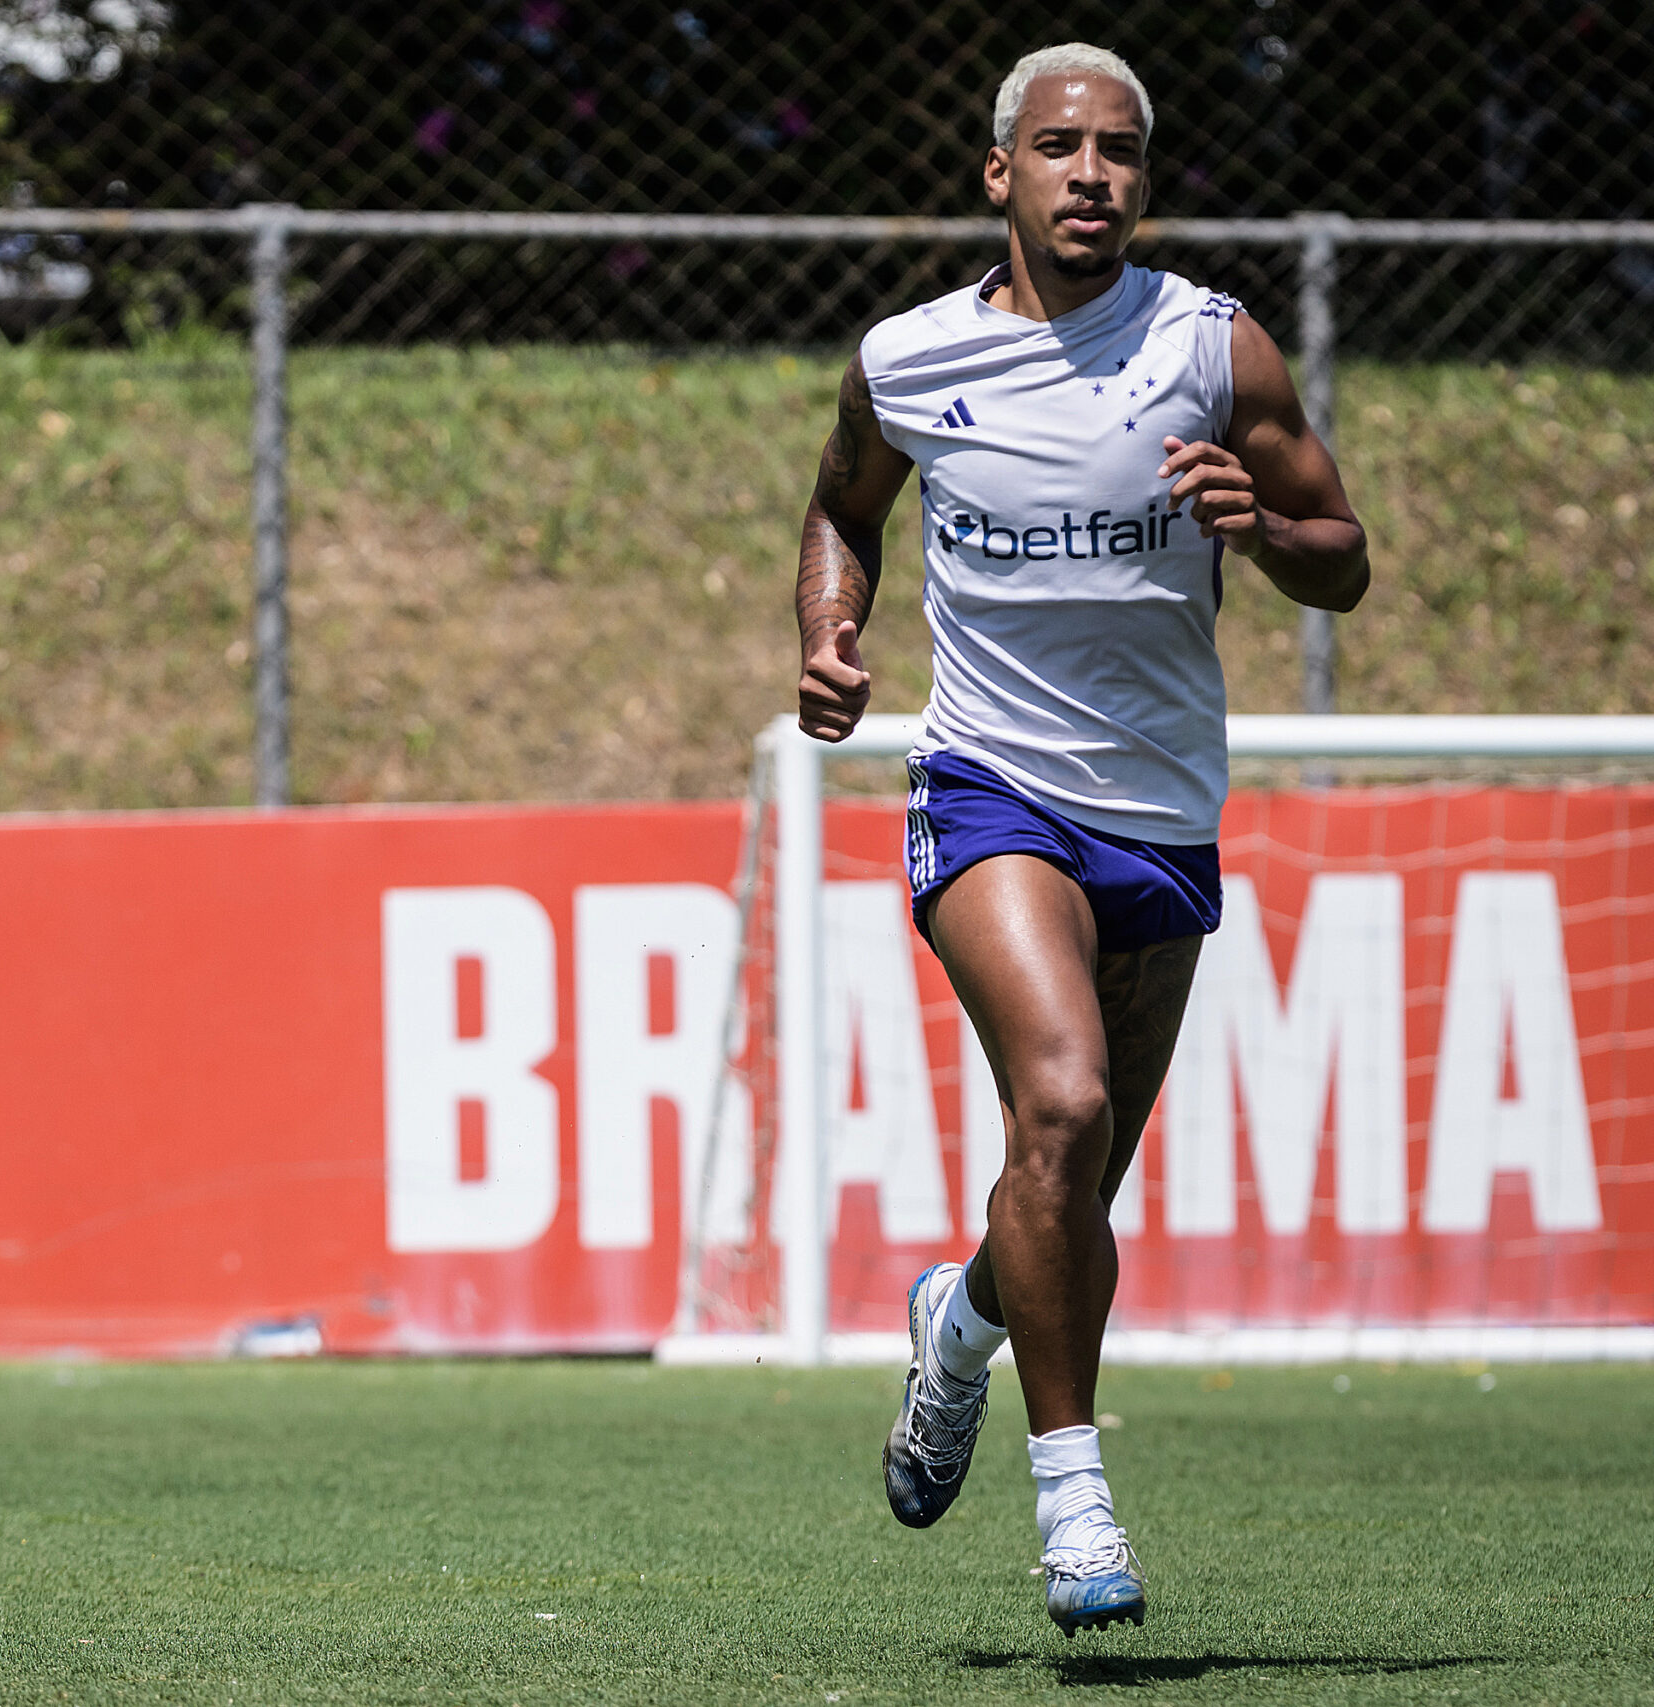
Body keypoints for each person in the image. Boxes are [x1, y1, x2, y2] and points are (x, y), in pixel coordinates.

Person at [791, 44, 1368, 1635]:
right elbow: (847, 512)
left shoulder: (1210, 348)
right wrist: (834, 638)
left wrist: (1266, 528)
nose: (1091, 173)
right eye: (1059, 148)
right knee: (1061, 1096)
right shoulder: (909, 358)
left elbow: (1344, 555)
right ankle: (1076, 1505)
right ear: (1001, 175)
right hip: (987, 789)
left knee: (1070, 1181)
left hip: (1162, 812)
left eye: (1119, 149)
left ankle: (958, 1326)